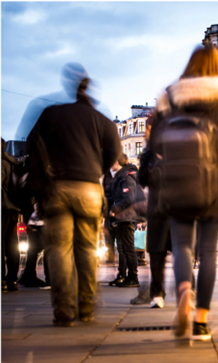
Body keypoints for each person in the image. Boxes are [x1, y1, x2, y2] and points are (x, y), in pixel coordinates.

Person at [152, 45, 218, 340]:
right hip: (215, 182)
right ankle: (201, 320)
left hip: (178, 181)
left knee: (181, 247)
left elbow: (156, 143)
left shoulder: (172, 96)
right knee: (207, 253)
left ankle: (183, 293)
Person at [26, 73, 121, 327]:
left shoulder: (51, 114)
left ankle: (63, 311)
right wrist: (95, 170)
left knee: (59, 250)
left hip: (57, 187)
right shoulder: (101, 121)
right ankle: (86, 307)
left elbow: (31, 142)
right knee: (86, 250)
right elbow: (115, 152)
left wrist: (40, 181)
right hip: (89, 189)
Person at [135, 113, 171, 309]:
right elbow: (142, 179)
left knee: (159, 252)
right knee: (177, 251)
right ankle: (184, 290)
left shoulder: (150, 153)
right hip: (169, 206)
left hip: (161, 205)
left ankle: (158, 294)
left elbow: (142, 180)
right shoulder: (151, 152)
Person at [109, 154, 142, 288]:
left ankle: (133, 277)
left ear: (116, 162)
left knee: (129, 248)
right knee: (124, 247)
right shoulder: (123, 176)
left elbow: (129, 199)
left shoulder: (127, 176)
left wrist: (114, 208)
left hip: (127, 217)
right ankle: (127, 276)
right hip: (124, 217)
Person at [1, 138, 21, 292]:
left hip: (3, 207)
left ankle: (1, 279)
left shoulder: (1, 163)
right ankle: (12, 279)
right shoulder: (14, 162)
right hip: (14, 208)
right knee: (12, 244)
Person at [102, 164, 116, 264]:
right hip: (108, 208)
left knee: (118, 234)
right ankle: (110, 256)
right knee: (108, 235)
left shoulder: (120, 174)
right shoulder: (106, 175)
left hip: (117, 207)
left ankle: (123, 259)